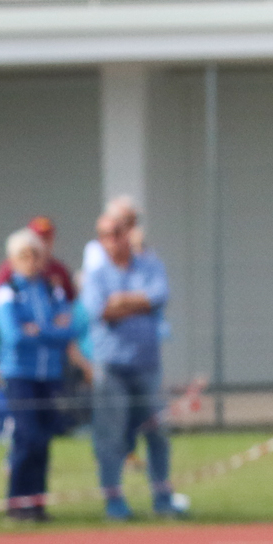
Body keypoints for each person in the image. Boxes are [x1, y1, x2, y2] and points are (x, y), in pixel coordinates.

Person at [82, 205, 183, 520]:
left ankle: (163, 498)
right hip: (111, 365)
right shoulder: (96, 274)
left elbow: (158, 296)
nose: (112, 240)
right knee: (111, 436)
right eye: (104, 235)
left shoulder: (150, 265)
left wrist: (121, 301)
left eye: (117, 233)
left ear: (128, 233)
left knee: (156, 431)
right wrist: (138, 303)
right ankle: (114, 501)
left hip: (147, 364)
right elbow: (100, 310)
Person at [0, 228, 79, 523]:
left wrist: (38, 331)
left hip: (49, 374)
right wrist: (48, 331)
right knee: (27, 437)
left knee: (44, 439)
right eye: (23, 256)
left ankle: (37, 504)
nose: (30, 261)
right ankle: (17, 504)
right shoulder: (7, 292)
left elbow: (67, 332)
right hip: (20, 374)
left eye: (35, 255)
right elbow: (12, 336)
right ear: (12, 260)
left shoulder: (52, 290)